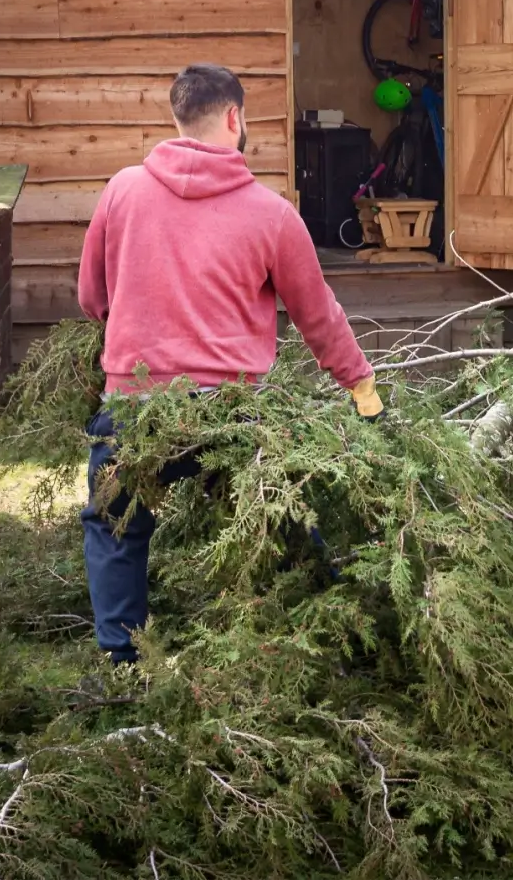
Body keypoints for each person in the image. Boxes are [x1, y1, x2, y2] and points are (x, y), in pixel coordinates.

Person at [76, 62, 382, 664]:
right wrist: (361, 386)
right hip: (233, 413)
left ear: (178, 118)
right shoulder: (273, 215)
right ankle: (337, 630)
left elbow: (92, 298)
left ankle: (122, 661)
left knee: (114, 524)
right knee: (286, 508)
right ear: (235, 118)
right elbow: (318, 317)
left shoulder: (122, 190)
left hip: (137, 408)